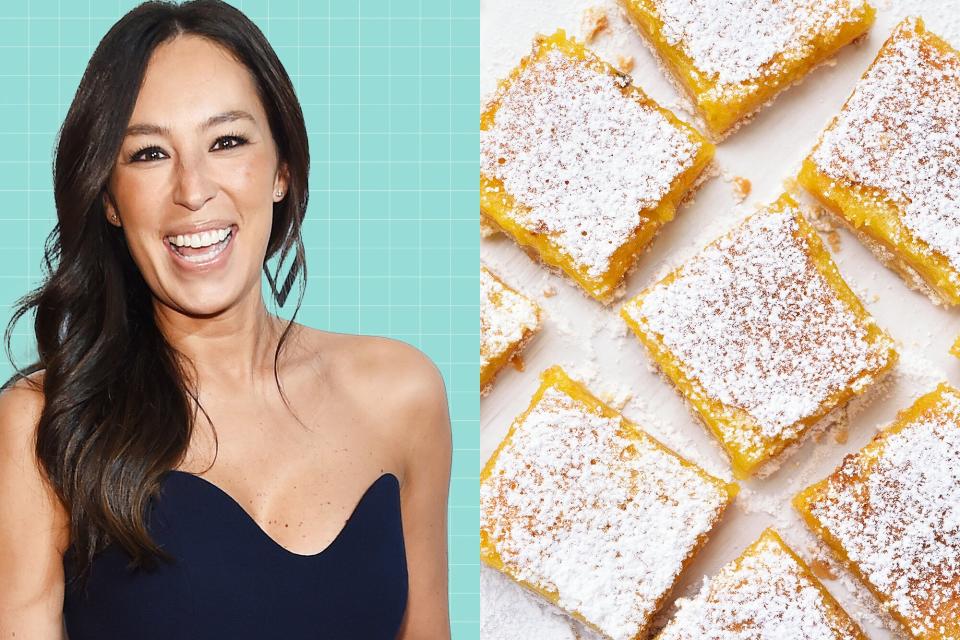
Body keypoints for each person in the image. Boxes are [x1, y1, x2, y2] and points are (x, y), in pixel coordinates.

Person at [0, 1, 452, 638]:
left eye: (227, 141)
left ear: (281, 170)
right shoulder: (44, 423)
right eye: (149, 154)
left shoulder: (403, 393)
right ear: (108, 199)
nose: (193, 189)